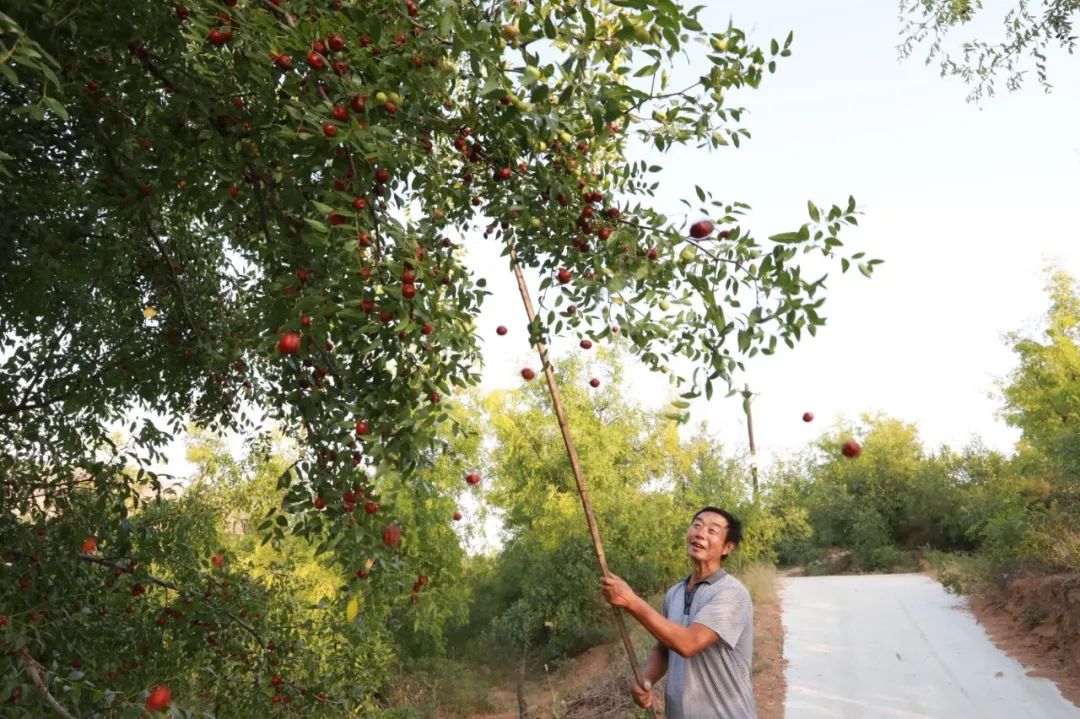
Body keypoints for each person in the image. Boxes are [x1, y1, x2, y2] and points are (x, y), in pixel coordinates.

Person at [600, 506, 756, 719]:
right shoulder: (675, 593)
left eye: (712, 531)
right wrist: (646, 680)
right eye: (697, 525)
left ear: (727, 547)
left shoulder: (732, 594)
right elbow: (664, 650)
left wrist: (631, 601)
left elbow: (688, 643)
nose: (700, 533)